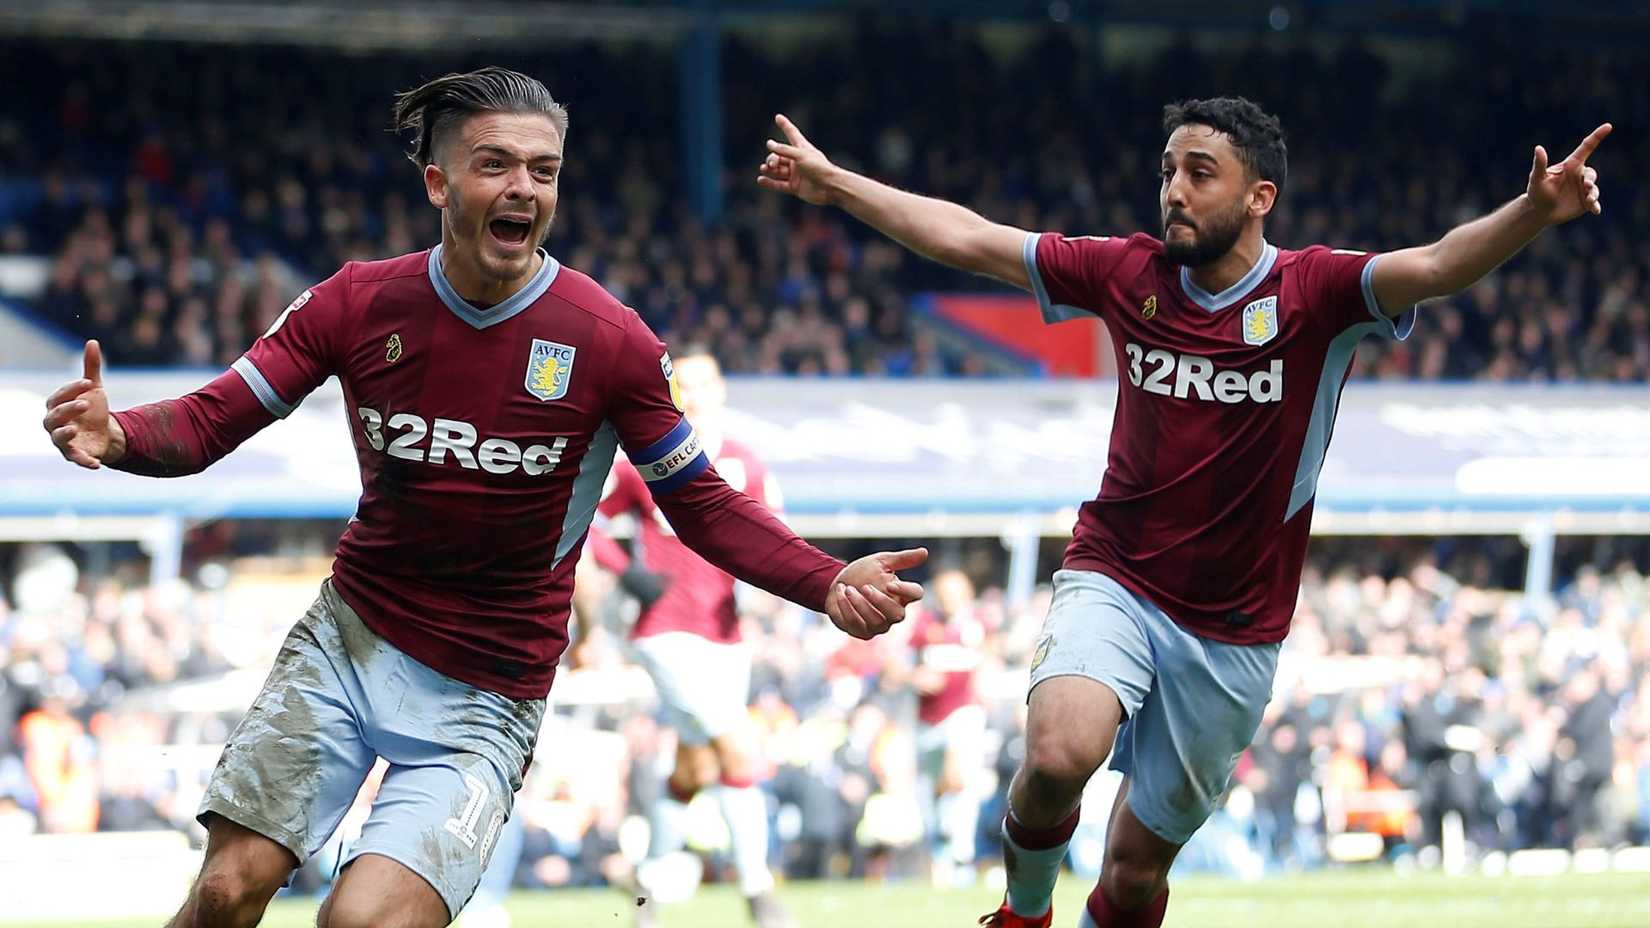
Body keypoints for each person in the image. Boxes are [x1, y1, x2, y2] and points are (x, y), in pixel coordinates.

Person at [41, 66, 926, 928]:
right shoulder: (357, 302)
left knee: (365, 921)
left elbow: (702, 503)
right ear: (439, 183)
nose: (523, 189)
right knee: (227, 892)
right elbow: (211, 420)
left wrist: (824, 579)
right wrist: (119, 436)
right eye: (495, 164)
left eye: (544, 170)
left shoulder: (609, 341)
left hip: (487, 692)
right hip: (350, 642)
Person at [758, 98, 1609, 928]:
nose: (1174, 190)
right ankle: (1023, 913)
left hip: (1235, 628)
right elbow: (971, 238)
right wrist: (838, 186)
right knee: (1057, 754)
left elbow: (1437, 264)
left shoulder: (1317, 291)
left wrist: (1532, 212)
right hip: (1117, 574)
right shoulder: (1128, 272)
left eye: (1201, 173)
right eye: (1168, 171)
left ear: (1259, 196)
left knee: (1133, 876)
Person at [580, 345, 795, 928]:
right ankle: (760, 893)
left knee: (695, 769)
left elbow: (776, 537)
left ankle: (646, 890)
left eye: (703, 384)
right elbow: (585, 516)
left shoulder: (746, 464)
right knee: (738, 745)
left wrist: (768, 594)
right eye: (684, 384)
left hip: (726, 634)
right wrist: (627, 572)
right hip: (664, 631)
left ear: (721, 391)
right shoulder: (642, 458)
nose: (694, 395)